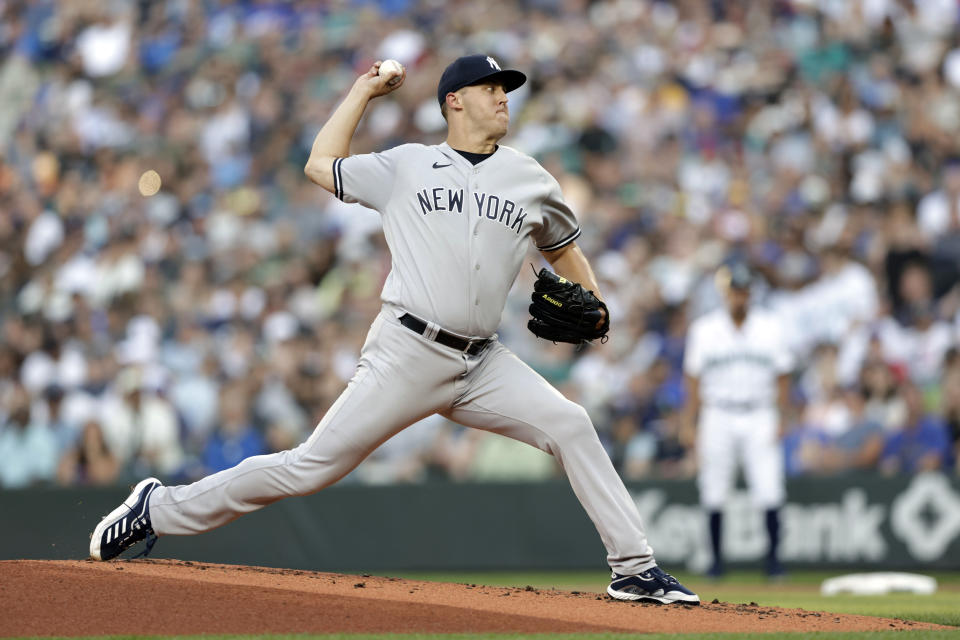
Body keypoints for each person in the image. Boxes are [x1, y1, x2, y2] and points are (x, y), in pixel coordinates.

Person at [87, 54, 698, 605]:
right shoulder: (407, 164)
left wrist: (592, 301)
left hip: (483, 362)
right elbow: (319, 164)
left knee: (572, 423)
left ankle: (635, 569)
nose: (503, 97)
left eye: (505, 89)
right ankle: (157, 508)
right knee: (309, 468)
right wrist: (363, 91)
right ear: (453, 101)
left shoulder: (531, 178)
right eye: (490, 88)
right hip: (406, 350)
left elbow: (563, 249)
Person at [683, 263, 793, 579]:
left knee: (769, 486)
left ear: (751, 294)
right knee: (713, 489)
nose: (739, 297)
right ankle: (715, 562)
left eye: (744, 291)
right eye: (734, 291)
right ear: (725, 293)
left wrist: (783, 415)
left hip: (760, 411)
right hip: (718, 412)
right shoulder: (704, 330)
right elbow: (692, 380)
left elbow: (783, 375)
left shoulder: (771, 327)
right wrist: (689, 421)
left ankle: (774, 562)